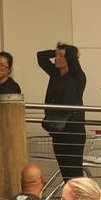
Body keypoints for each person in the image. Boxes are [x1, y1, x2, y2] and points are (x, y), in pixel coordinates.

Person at [37, 43, 86, 182]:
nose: (55, 58)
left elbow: (71, 56)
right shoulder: (55, 74)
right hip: (57, 129)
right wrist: (55, 51)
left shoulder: (78, 76)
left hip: (73, 130)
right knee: (65, 172)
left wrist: (69, 53)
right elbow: (40, 56)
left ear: (70, 58)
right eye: (55, 55)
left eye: (60, 56)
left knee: (74, 172)